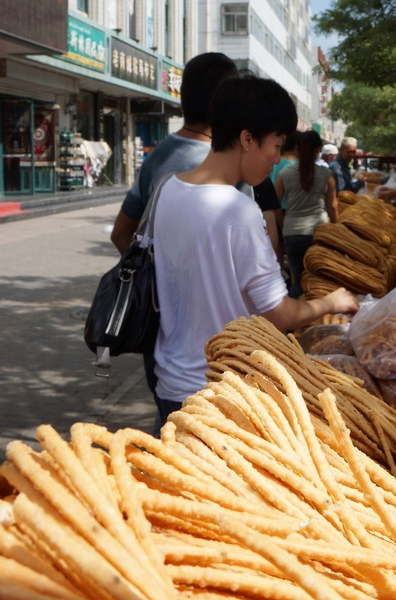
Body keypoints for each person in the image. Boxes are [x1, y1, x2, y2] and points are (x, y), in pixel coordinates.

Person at [151, 75, 359, 429]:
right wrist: (333, 302)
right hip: (219, 392)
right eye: (276, 145)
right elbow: (279, 313)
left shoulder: (168, 189)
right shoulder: (236, 208)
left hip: (170, 382)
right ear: (247, 139)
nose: (277, 158)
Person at [110, 51, 238, 254]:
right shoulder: (232, 162)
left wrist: (154, 274)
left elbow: (120, 234)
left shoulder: (156, 158)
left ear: (182, 95)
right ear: (229, 103)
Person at [275, 129, 338, 297]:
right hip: (318, 234)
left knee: (298, 281)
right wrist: (338, 228)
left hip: (292, 233)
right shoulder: (326, 174)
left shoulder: (284, 174)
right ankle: (316, 319)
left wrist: (283, 225)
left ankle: (295, 320)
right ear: (318, 150)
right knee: (319, 282)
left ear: (297, 149)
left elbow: (274, 205)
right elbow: (332, 205)